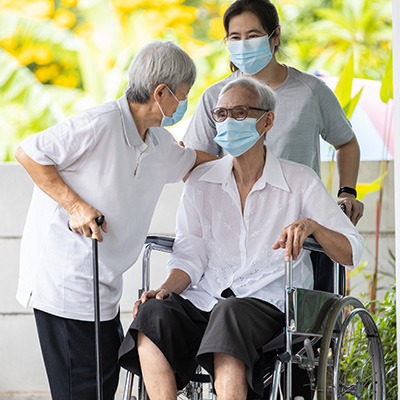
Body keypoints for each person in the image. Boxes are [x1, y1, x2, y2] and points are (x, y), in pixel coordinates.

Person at [118, 78, 364, 400]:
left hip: (270, 308)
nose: (228, 121)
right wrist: (165, 289)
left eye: (240, 112)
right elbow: (190, 255)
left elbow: (352, 250)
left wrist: (312, 226)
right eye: (221, 114)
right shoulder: (201, 182)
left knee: (229, 313)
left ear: (267, 121)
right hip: (207, 301)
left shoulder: (299, 181)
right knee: (152, 313)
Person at [15, 40, 217, 400]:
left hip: (105, 289)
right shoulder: (101, 123)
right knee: (82, 391)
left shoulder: (158, 142)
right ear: (161, 92)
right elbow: (29, 152)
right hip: (65, 283)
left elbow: (195, 160)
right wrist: (75, 205)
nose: (184, 103)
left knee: (105, 386)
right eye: (183, 95)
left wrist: (250, 164)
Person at [183, 0, 364, 226]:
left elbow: (346, 143)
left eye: (253, 36)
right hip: (236, 223)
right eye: (235, 37)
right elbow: (195, 162)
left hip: (298, 223)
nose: (243, 44)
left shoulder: (311, 91)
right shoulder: (215, 96)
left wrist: (347, 192)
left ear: (275, 36)